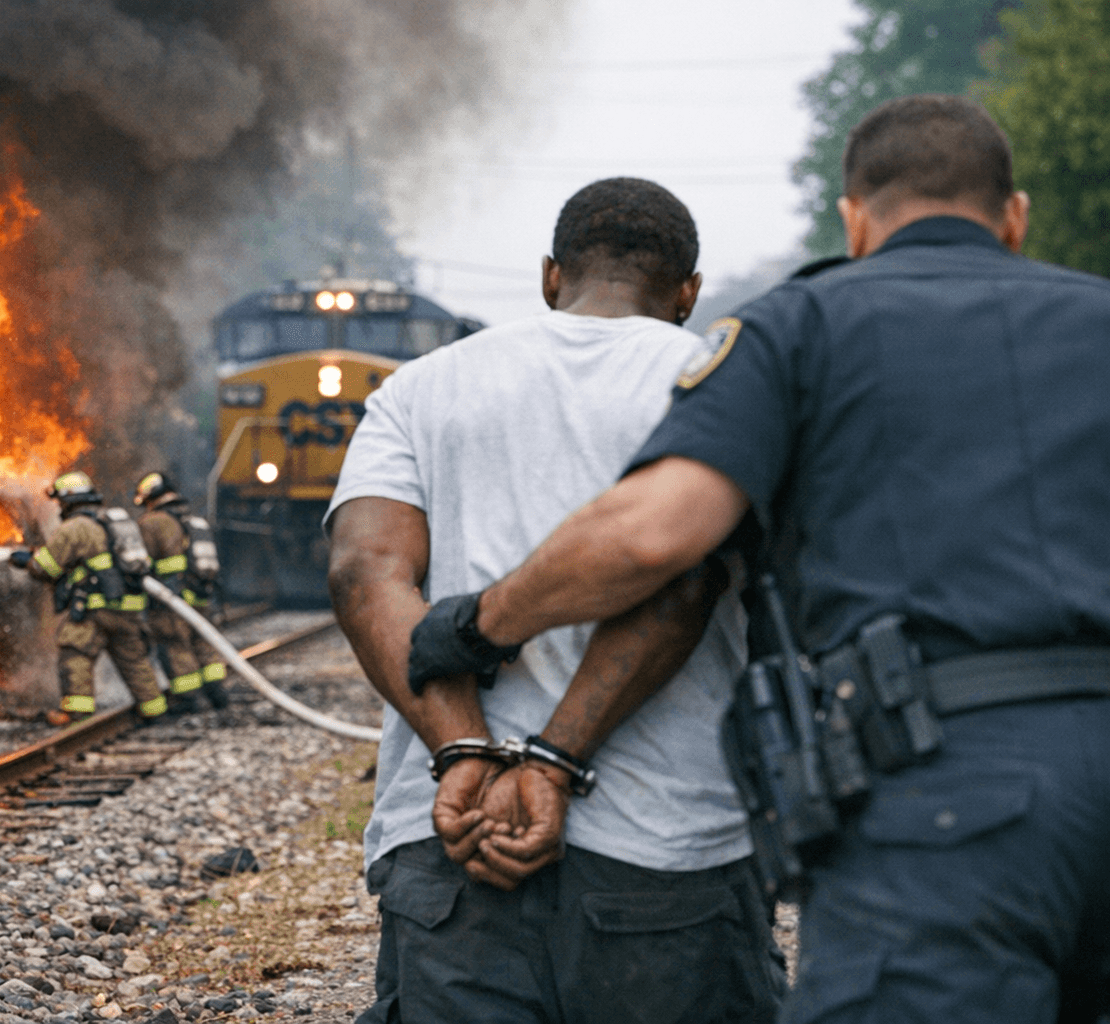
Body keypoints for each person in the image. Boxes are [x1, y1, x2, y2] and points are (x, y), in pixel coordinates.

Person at [408, 95, 1110, 1023]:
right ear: (1013, 216)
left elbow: (652, 534)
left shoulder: (802, 329)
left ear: (855, 219)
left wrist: (477, 624)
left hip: (941, 791)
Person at [327, 177, 786, 1024]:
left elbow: (364, 576)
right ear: (687, 292)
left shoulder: (420, 388)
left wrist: (463, 751)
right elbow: (684, 579)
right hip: (664, 852)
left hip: (451, 843)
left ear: (550, 276)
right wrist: (554, 763)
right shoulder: (722, 382)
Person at [14, 471, 167, 721]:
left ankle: (77, 713)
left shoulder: (75, 527)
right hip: (129, 609)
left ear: (67, 500)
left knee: (76, 655)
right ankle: (155, 712)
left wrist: (27, 561)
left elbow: (46, 568)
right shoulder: (116, 522)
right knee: (135, 662)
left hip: (96, 609)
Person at [133, 470, 230, 711]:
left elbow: (139, 560)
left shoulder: (153, 522)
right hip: (201, 595)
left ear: (151, 498)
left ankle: (187, 699)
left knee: (175, 645)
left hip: (171, 598)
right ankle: (217, 694)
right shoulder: (194, 521)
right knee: (203, 643)